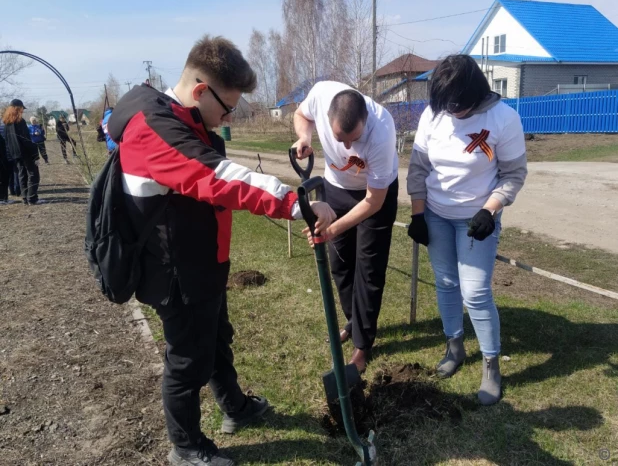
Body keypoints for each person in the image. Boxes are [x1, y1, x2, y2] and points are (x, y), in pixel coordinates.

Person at [107, 35, 335, 466]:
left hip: (202, 260)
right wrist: (296, 202)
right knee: (187, 360)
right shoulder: (155, 129)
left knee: (215, 339)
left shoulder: (181, 117)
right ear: (199, 91)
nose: (228, 117)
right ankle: (188, 447)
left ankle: (235, 407)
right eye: (227, 107)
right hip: (174, 269)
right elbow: (217, 176)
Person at [406, 54, 527, 406]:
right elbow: (417, 169)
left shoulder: (503, 119)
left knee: (474, 292)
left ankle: (491, 364)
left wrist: (491, 209)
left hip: (478, 220)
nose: (451, 111)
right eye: (445, 104)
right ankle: (454, 346)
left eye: (457, 105)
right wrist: (417, 215)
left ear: (474, 94)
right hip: (436, 214)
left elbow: (513, 175)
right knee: (445, 282)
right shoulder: (433, 113)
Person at [294, 81, 399, 374]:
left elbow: (373, 202)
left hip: (375, 194)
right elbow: (301, 116)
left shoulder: (382, 131)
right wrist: (304, 136)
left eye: (354, 139)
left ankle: (362, 345)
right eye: (341, 138)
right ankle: (354, 322)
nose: (348, 147)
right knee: (340, 264)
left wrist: (334, 228)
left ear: (366, 120)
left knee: (368, 269)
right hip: (336, 187)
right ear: (329, 119)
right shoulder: (321, 95)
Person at [2, 99, 44, 205]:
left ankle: (25, 198)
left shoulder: (7, 122)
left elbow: (7, 140)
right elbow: (26, 139)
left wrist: (10, 154)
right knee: (33, 174)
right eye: (21, 108)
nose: (22, 111)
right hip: (24, 152)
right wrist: (35, 154)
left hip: (15, 153)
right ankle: (32, 198)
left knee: (22, 175)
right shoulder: (20, 121)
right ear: (17, 108)